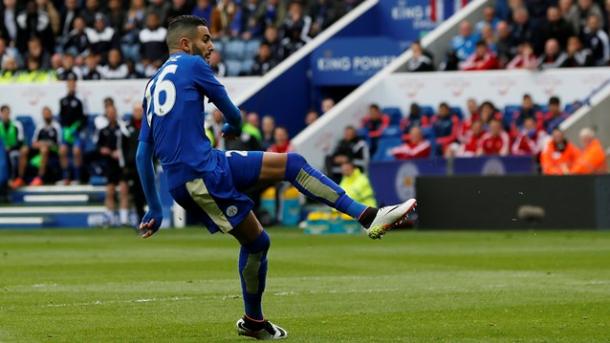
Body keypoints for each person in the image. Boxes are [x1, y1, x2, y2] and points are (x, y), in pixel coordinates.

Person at [136, 15, 416, 340]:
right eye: (206, 39)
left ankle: (367, 216)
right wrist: (233, 126)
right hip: (200, 175)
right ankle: (255, 320)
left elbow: (143, 154)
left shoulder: (152, 84)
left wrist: (155, 208)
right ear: (186, 44)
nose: (211, 46)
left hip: (200, 166)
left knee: (290, 168)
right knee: (257, 240)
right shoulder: (193, 65)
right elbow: (235, 115)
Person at [98, 104, 130, 226]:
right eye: (109, 112)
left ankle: (124, 219)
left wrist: (120, 153)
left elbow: (128, 145)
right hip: (109, 164)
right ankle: (110, 218)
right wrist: (104, 150)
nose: (111, 114)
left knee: (124, 190)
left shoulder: (122, 128)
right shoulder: (103, 130)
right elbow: (98, 147)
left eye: (113, 112)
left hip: (121, 164)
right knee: (110, 191)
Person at [58, 78, 86, 184]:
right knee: (62, 150)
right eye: (69, 84)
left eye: (73, 84)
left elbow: (84, 118)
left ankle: (77, 177)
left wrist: (76, 128)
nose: (71, 86)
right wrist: (65, 129)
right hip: (66, 131)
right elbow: (61, 117)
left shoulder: (80, 100)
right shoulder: (62, 100)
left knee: (76, 151)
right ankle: (66, 176)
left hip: (76, 132)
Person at [30, 106, 62, 186]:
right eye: (45, 114)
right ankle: (19, 178)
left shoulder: (56, 126)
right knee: (26, 150)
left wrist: (48, 144)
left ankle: (40, 177)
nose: (47, 115)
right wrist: (42, 144)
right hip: (40, 150)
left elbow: (59, 143)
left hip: (53, 150)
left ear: (51, 114)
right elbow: (34, 143)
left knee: (44, 149)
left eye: (48, 113)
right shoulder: (39, 126)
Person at [0, 104, 28, 188]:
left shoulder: (17, 125)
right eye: (4, 112)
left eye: (7, 112)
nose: (6, 114)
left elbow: (20, 141)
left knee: (20, 152)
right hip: (1, 151)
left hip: (14, 149)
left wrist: (10, 147)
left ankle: (17, 179)